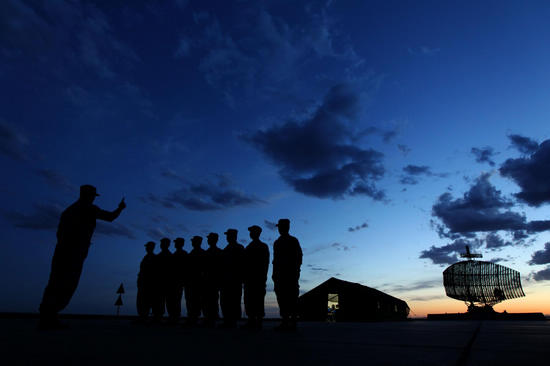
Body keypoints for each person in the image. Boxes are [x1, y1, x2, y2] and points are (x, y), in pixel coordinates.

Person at [39, 184, 126, 329]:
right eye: (92, 196)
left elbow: (59, 233)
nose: (93, 199)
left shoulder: (68, 211)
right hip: (74, 253)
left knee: (55, 282)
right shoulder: (90, 209)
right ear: (88, 196)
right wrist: (120, 208)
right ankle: (50, 317)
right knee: (66, 284)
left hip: (62, 251)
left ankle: (47, 316)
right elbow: (110, 217)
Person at [272, 218, 302, 330]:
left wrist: (296, 271)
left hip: (290, 275)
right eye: (279, 227)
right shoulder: (277, 242)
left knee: (292, 298)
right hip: (280, 276)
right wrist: (274, 274)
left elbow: (299, 257)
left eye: (282, 226)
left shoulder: (293, 241)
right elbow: (275, 260)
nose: (280, 229)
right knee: (282, 298)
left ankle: (293, 322)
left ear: (287, 227)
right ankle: (285, 321)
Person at [242, 225, 270, 330]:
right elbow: (244, 264)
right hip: (251, 279)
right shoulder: (249, 247)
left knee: (257, 299)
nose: (251, 234)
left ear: (257, 233)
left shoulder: (261, 246)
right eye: (250, 232)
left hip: (257, 278)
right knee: (250, 300)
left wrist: (263, 276)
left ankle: (257, 322)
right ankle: (252, 321)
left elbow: (265, 263)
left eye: (252, 232)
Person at [220, 229, 245, 328]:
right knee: (225, 301)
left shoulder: (239, 248)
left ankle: (232, 321)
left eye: (229, 235)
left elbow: (243, 264)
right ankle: (227, 320)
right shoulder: (226, 249)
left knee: (233, 300)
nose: (227, 237)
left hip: (234, 279)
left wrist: (241, 277)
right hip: (226, 279)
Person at [203, 232, 223, 327]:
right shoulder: (207, 253)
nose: (208, 240)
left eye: (209, 238)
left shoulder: (219, 252)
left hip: (214, 280)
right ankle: (209, 318)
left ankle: (211, 318)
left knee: (212, 299)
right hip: (208, 280)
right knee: (208, 300)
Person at [185, 236, 205, 326]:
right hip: (190, 281)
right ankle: (191, 317)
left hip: (197, 281)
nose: (192, 243)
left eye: (194, 241)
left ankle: (194, 318)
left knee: (196, 300)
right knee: (190, 300)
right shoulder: (191, 253)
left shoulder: (202, 253)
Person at [136, 241, 158, 322]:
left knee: (147, 301)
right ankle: (143, 316)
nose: (146, 248)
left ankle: (145, 317)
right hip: (143, 283)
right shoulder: (146, 257)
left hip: (148, 284)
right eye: (147, 247)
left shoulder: (153, 258)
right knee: (142, 301)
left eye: (148, 247)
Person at [171, 237, 188, 323]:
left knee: (176, 299)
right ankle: (174, 317)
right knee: (174, 299)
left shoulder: (183, 254)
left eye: (176, 243)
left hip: (179, 281)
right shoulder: (175, 254)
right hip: (175, 281)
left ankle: (175, 317)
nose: (175, 244)